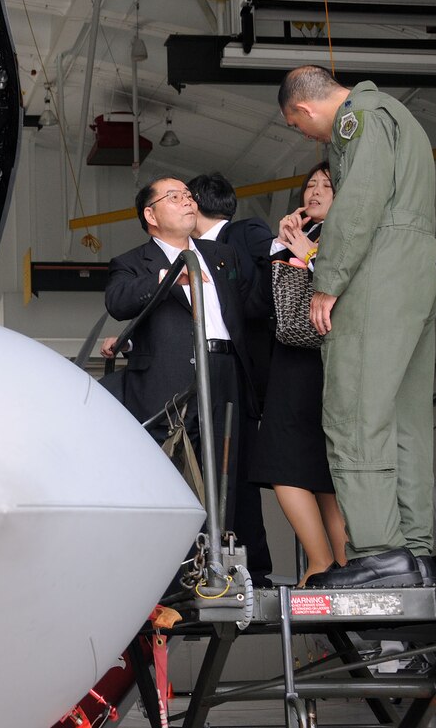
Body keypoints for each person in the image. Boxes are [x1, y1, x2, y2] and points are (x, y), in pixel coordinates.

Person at [279, 65, 436, 588]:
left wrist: (328, 279)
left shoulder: (358, 120)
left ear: (304, 110)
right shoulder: (399, 115)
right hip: (417, 268)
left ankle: (377, 552)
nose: (307, 136)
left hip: (379, 270)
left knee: (353, 412)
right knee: (403, 420)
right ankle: (415, 553)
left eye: (299, 127)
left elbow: (359, 203)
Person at [105, 176, 257, 537]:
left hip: (224, 369)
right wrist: (165, 277)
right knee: (172, 470)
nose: (188, 201)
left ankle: (218, 564)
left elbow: (250, 305)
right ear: (151, 215)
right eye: (175, 197)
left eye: (189, 196)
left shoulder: (221, 256)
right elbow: (117, 301)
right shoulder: (133, 263)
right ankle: (175, 572)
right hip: (168, 379)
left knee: (224, 469)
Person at [251, 162, 348, 585]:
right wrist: (283, 244)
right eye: (310, 185)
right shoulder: (302, 238)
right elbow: (268, 303)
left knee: (286, 460)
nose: (315, 191)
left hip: (321, 358)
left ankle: (323, 561)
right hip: (299, 358)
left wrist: (304, 251)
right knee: (315, 468)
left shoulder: (346, 238)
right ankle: (341, 564)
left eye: (327, 186)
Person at [190, 172, 273, 586]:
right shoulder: (187, 253)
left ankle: (253, 566)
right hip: (205, 368)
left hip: (244, 368)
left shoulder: (245, 232)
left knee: (237, 469)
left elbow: (270, 282)